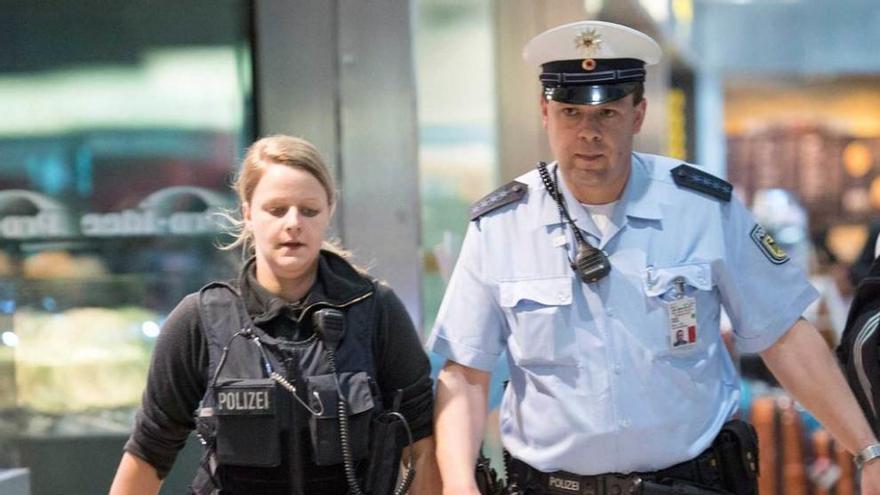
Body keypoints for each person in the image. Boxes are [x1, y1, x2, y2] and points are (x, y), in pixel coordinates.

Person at [428, 20, 880, 495]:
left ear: (638, 113)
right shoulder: (502, 225)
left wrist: (867, 451)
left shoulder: (703, 207)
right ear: (545, 112)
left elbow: (784, 335)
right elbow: (465, 374)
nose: (588, 133)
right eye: (570, 113)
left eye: (607, 115)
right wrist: (459, 484)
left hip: (690, 482)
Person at [110, 135, 440, 495]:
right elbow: (147, 453)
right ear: (248, 212)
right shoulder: (201, 320)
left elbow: (423, 447)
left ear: (329, 211)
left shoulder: (375, 310)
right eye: (277, 209)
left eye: (309, 210)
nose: (294, 223)